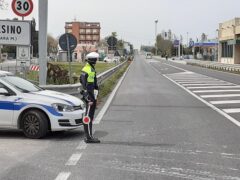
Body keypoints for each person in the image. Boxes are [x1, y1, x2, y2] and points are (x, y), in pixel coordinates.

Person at [80, 52, 100, 143]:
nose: (96, 61)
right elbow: (87, 86)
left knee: (89, 116)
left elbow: (90, 86)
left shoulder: (88, 68)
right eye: (95, 60)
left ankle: (88, 136)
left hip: (91, 96)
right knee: (88, 117)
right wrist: (89, 99)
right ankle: (88, 137)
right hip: (89, 97)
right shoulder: (89, 70)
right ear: (93, 61)